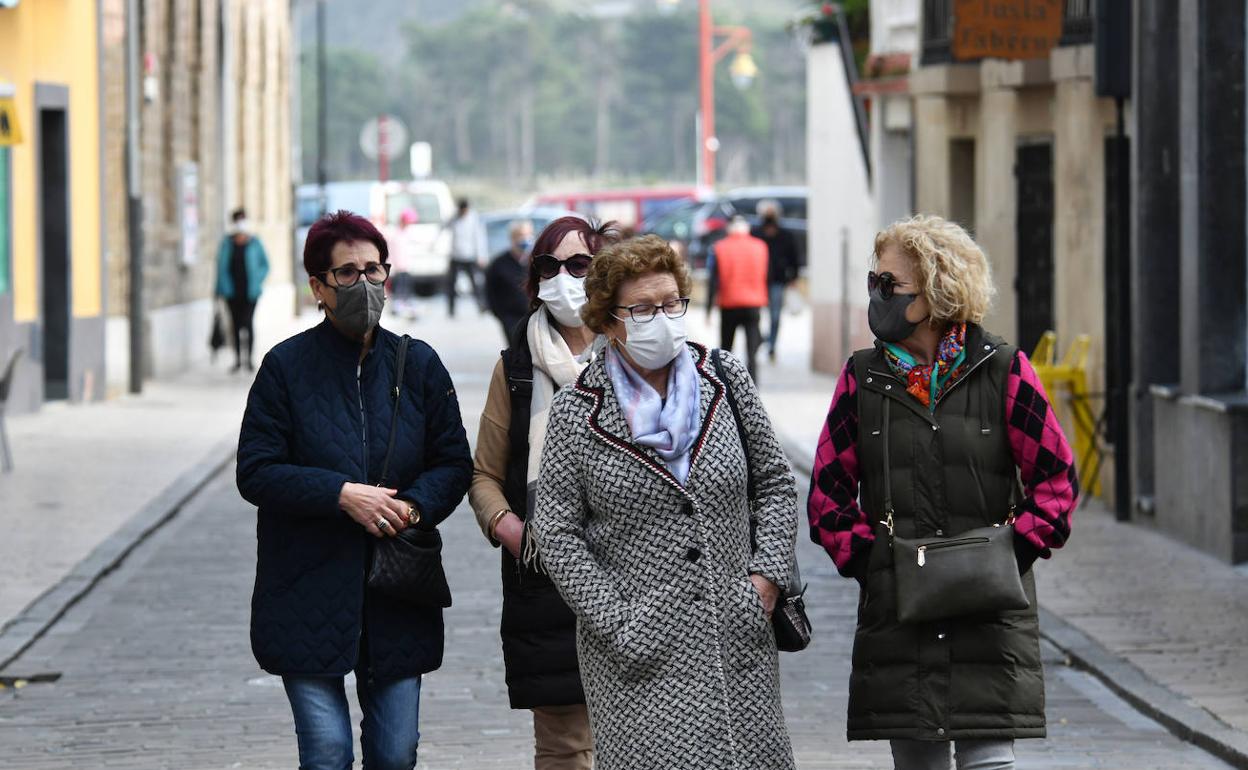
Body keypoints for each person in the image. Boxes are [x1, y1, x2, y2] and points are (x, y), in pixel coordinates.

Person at [807, 215, 1079, 770]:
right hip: (897, 614)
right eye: (874, 281)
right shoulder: (862, 377)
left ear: (936, 291)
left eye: (890, 284)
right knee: (917, 761)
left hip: (989, 614)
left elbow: (1056, 480)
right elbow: (827, 495)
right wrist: (873, 562)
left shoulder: (1004, 370)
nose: (877, 294)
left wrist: (1009, 554)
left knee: (988, 756)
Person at [530, 234, 798, 770]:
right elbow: (556, 532)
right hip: (638, 653)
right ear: (609, 320)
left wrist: (766, 578)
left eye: (672, 303)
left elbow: (774, 482)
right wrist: (617, 621)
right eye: (643, 308)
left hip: (734, 636)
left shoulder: (725, 378)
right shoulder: (575, 411)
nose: (662, 318)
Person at [237, 210, 473, 770]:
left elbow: (453, 463)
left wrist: (410, 508)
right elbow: (257, 470)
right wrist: (341, 494)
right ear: (318, 287)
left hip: (397, 587)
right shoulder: (285, 367)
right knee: (327, 753)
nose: (364, 283)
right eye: (347, 272)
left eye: (373, 269)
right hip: (306, 584)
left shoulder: (418, 364)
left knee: (396, 753)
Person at [470, 216, 620, 770]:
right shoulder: (515, 369)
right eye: (548, 266)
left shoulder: (635, 356)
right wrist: (508, 527)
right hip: (545, 580)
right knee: (564, 748)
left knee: (642, 740)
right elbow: (484, 475)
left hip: (631, 574)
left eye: (578, 265)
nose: (563, 278)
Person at [707, 216, 768, 380]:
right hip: (753, 303)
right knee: (752, 351)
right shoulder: (760, 246)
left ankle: (725, 383)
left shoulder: (720, 247)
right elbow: (767, 275)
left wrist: (708, 310)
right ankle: (753, 384)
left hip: (729, 304)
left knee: (726, 350)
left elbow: (713, 281)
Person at [215, 207, 269, 372]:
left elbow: (265, 265)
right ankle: (238, 360)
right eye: (237, 220)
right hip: (232, 292)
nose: (240, 223)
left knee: (248, 323)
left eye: (242, 219)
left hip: (250, 292)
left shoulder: (254, 242)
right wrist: (219, 289)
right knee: (236, 325)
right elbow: (220, 267)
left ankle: (249, 360)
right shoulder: (227, 243)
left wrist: (257, 280)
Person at [751, 202, 800, 363]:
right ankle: (760, 339)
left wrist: (793, 277)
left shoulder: (785, 235)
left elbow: (794, 257)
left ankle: (771, 344)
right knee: (755, 315)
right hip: (758, 280)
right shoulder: (756, 233)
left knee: (775, 315)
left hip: (778, 280)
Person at [485, 219, 535, 343]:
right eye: (521, 235)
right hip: (511, 319)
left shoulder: (537, 260)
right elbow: (490, 292)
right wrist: (501, 315)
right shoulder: (498, 264)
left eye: (528, 234)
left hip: (535, 317)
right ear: (512, 238)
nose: (525, 238)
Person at [445, 198, 485, 317]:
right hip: (455, 256)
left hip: (470, 256)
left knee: (475, 283)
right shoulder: (454, 218)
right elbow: (444, 227)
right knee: (451, 284)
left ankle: (481, 305)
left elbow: (479, 238)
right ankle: (451, 309)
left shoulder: (473, 219)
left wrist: (481, 255)